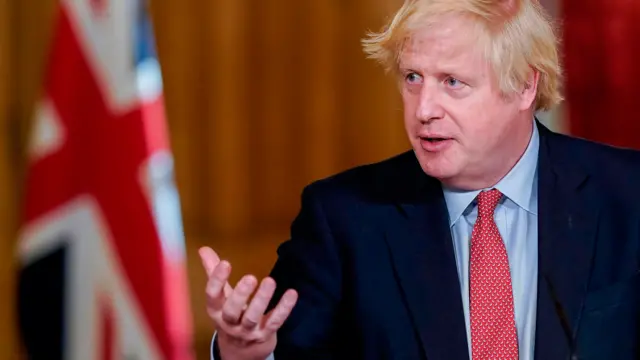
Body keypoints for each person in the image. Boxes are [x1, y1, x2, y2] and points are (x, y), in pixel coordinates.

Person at [200, 0, 640, 358]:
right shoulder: (345, 219)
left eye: (452, 82)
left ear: (525, 85)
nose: (424, 108)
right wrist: (246, 353)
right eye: (413, 78)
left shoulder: (627, 195)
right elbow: (287, 345)